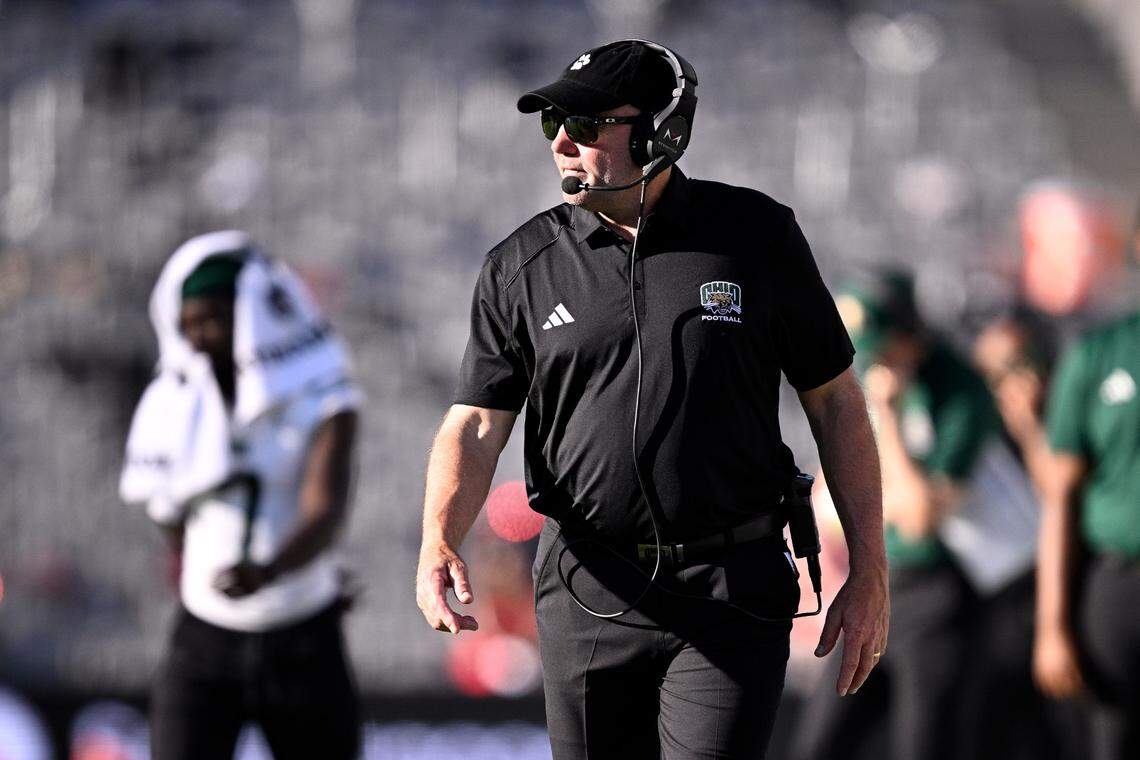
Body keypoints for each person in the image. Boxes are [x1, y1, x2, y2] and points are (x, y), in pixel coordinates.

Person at [415, 40, 888, 759]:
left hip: (731, 586)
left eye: (585, 124)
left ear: (660, 130)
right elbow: (477, 424)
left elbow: (836, 403)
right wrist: (437, 538)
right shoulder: (519, 267)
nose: (563, 143)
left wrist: (870, 570)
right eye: (552, 126)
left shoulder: (757, 237)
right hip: (587, 586)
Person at [120, 231, 363, 760]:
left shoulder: (325, 398)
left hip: (303, 631)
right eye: (188, 326)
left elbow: (325, 510)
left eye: (213, 320)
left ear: (256, 316)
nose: (200, 339)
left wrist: (269, 571)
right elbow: (168, 510)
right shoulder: (174, 403)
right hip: (205, 637)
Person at [794, 271, 994, 760]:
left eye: (881, 348)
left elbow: (923, 516)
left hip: (936, 594)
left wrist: (891, 415)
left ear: (909, 337)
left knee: (920, 741)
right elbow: (828, 507)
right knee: (819, 740)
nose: (872, 363)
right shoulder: (854, 387)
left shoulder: (958, 390)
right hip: (873, 585)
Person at [1036, 307, 1140, 760]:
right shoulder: (1100, 352)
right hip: (1119, 583)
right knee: (1112, 739)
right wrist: (1052, 626)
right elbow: (1060, 496)